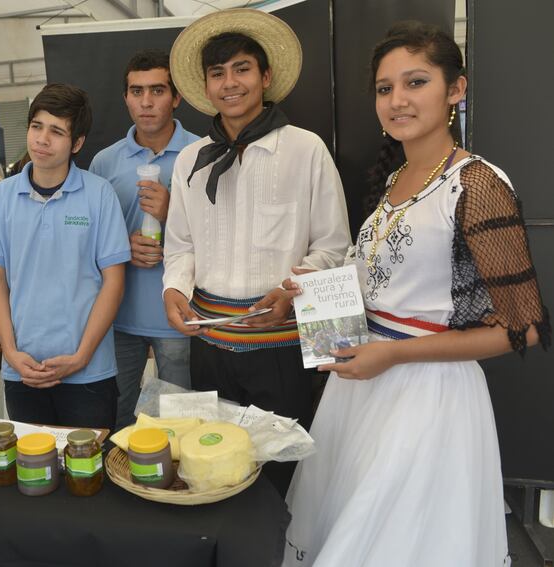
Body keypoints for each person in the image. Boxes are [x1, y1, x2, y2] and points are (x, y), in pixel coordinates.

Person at [281, 21, 551, 567]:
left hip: (426, 400)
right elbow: (387, 291)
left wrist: (396, 352)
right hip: (360, 392)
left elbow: (521, 329)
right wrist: (315, 296)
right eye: (385, 89)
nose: (397, 100)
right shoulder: (394, 180)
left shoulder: (477, 185)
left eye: (416, 82)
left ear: (457, 89)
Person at [163, 9, 351, 493]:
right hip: (208, 345)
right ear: (206, 86)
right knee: (214, 467)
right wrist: (173, 290)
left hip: (283, 347)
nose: (231, 83)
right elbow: (180, 245)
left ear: (266, 77)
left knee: (284, 471)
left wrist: (292, 291)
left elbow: (334, 246)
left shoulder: (306, 150)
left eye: (242, 69)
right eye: (218, 73)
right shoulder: (189, 160)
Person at [0, 84, 130, 431]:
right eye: (37, 126)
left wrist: (81, 356)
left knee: (88, 473)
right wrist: (11, 352)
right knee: (35, 472)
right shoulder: (1, 197)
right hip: (23, 369)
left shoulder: (99, 195)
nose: (42, 139)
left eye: (57, 131)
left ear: (76, 143)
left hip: (89, 370)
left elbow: (114, 282)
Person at [89, 49, 200, 430]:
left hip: (180, 314)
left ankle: (175, 489)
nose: (147, 101)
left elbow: (223, 238)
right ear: (125, 98)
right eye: (137, 91)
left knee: (180, 417)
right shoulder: (104, 162)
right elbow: (90, 239)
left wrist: (173, 213)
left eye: (157, 90)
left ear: (177, 96)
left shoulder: (201, 153)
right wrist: (123, 247)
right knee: (116, 413)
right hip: (119, 312)